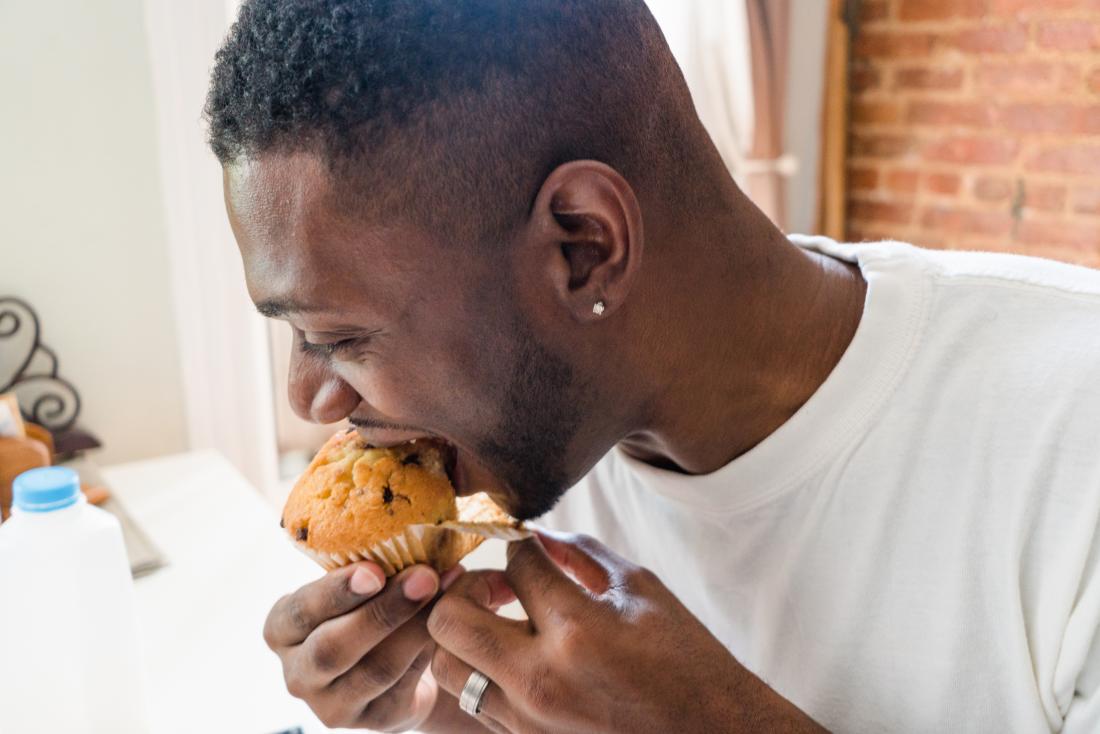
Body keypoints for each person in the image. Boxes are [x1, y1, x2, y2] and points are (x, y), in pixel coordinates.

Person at [206, 1, 1100, 731]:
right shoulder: (529, 462)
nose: (311, 400)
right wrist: (434, 706)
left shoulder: (1070, 445)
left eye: (341, 337)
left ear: (584, 248)